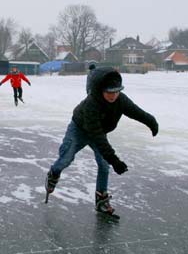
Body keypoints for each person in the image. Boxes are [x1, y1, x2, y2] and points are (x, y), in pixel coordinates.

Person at [45, 66, 159, 216]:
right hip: (79, 130)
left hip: (99, 132)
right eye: (109, 92)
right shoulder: (92, 104)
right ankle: (53, 173)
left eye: (116, 91)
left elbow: (137, 112)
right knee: (66, 159)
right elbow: (97, 136)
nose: (113, 95)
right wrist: (115, 160)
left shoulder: (121, 99)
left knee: (104, 166)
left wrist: (151, 122)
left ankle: (101, 201)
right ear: (101, 90)